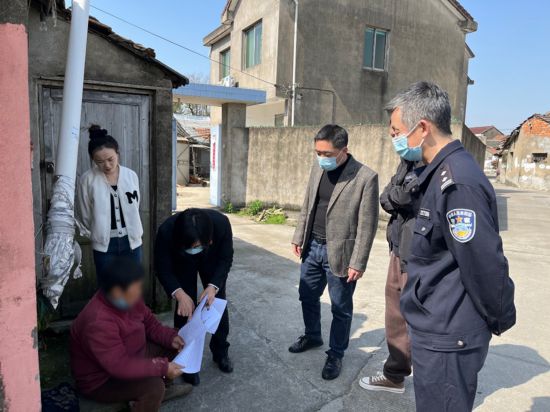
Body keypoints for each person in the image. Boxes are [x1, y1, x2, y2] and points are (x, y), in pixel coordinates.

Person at [386, 81, 516, 411]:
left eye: (397, 131)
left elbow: (484, 264)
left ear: (422, 128)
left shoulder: (457, 182)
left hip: (448, 333)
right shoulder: (435, 173)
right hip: (436, 324)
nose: (394, 139)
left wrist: (499, 317)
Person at [289, 124, 379, 380]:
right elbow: (308, 203)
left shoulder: (365, 177)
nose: (321, 158)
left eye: (327, 154)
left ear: (343, 150)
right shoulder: (317, 167)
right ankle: (312, 335)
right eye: (318, 152)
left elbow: (367, 224)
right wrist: (299, 236)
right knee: (307, 295)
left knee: (340, 307)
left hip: (341, 253)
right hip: (312, 246)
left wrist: (358, 262)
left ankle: (336, 354)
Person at [70, 258, 192, 412]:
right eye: (135, 290)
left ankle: (162, 391)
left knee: (176, 345)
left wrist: (171, 338)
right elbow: (119, 365)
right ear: (116, 292)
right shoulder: (97, 322)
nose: (138, 294)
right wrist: (161, 367)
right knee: (154, 387)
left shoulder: (129, 296)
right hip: (104, 380)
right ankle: (150, 395)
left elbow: (151, 324)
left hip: (133, 353)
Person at [360, 158, 420, 393]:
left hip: (417, 255)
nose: (398, 141)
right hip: (397, 248)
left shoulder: (431, 164)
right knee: (395, 317)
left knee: (418, 321)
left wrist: (397, 196)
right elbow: (385, 198)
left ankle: (430, 385)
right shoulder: (407, 163)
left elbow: (403, 198)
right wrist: (397, 195)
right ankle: (394, 376)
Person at [155, 208, 234, 385]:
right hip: (182, 261)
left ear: (209, 239)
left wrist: (213, 286)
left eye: (198, 246)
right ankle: (186, 359)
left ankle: (221, 351)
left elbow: (225, 259)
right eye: (192, 247)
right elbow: (162, 267)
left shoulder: (221, 224)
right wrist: (179, 293)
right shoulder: (167, 231)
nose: (195, 250)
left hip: (211, 260)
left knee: (216, 303)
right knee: (185, 308)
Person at [77, 125, 143, 283]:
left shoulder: (131, 176)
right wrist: (99, 230)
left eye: (110, 159)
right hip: (104, 245)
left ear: (117, 153)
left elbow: (135, 205)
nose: (106, 165)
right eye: (99, 161)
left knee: (132, 285)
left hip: (132, 242)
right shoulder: (87, 180)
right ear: (93, 160)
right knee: (107, 288)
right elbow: (85, 214)